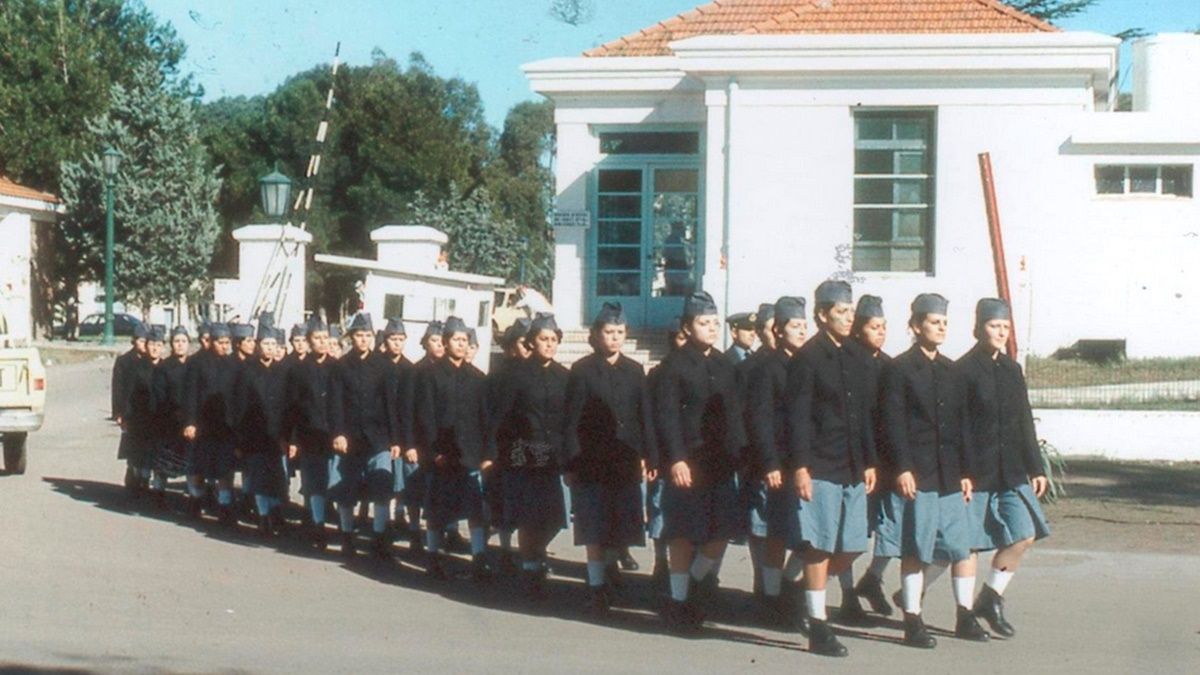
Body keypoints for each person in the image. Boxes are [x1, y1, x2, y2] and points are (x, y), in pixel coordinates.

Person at [882, 294, 990, 647]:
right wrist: (902, 468)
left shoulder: (950, 370)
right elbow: (893, 423)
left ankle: (964, 616)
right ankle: (912, 619)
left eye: (944, 322)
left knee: (958, 547)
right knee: (917, 549)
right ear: (915, 326)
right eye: (933, 321)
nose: (941, 327)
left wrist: (965, 472)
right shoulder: (899, 369)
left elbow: (961, 427)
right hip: (918, 474)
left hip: (949, 475)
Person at [786, 280, 878, 657]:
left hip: (854, 465)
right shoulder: (808, 358)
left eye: (851, 312)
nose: (847, 318)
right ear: (822, 315)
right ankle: (818, 627)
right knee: (820, 546)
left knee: (854, 544)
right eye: (840, 312)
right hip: (820, 464)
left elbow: (865, 414)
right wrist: (800, 467)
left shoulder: (856, 355)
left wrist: (870, 459)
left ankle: (802, 592)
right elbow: (797, 417)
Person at [655, 291, 746, 631]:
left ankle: (694, 581)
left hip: (719, 461)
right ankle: (678, 601)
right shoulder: (673, 366)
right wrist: (676, 459)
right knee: (681, 534)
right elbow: (667, 417)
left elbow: (734, 415)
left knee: (721, 532)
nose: (710, 329)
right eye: (703, 323)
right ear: (687, 326)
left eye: (713, 323)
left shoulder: (724, 364)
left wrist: (739, 452)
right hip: (687, 463)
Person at [960, 298, 1051, 638]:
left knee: (1024, 533)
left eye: (1005, 327)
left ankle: (991, 596)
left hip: (1011, 470)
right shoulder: (964, 370)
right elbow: (959, 428)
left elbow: (1024, 421)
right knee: (965, 546)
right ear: (978, 328)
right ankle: (961, 610)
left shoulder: (1012, 370)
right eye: (994, 326)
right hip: (977, 472)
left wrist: (1036, 467)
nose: (1000, 332)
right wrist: (963, 472)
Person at [563, 302, 655, 614]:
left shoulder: (634, 370)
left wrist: (647, 456)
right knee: (594, 527)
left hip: (625, 461)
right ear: (596, 334)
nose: (614, 338)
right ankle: (596, 585)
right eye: (608, 332)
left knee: (621, 525)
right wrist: (571, 463)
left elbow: (644, 417)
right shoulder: (582, 370)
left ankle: (613, 572)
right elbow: (571, 421)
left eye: (619, 332)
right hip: (592, 461)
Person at [490, 313, 569, 597]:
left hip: (554, 454)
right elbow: (501, 416)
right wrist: (497, 452)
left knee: (553, 517)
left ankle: (536, 555)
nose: (549, 345)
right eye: (543, 339)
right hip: (522, 452)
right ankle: (529, 568)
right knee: (528, 516)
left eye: (553, 340)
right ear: (532, 342)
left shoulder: (564, 376)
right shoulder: (517, 375)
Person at [415, 316, 493, 579]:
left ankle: (479, 558)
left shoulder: (477, 378)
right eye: (456, 340)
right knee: (437, 510)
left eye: (464, 340)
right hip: (442, 455)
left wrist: (487, 455)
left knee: (476, 511)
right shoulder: (430, 376)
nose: (461, 345)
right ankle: (434, 557)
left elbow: (486, 419)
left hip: (470, 455)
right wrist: (433, 451)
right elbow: (425, 417)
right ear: (446, 342)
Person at [746, 296, 808, 629]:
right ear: (778, 330)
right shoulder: (768, 367)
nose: (800, 331)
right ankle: (771, 598)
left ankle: (787, 584)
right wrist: (769, 462)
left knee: (805, 536)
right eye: (794, 326)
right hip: (776, 465)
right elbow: (761, 419)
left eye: (803, 325)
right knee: (775, 535)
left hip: (804, 464)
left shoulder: (807, 362)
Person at [328, 313, 400, 559]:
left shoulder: (383, 366)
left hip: (378, 438)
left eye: (367, 335)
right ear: (351, 337)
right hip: (350, 439)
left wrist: (395, 439)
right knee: (346, 490)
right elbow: (335, 403)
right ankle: (347, 536)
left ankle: (380, 538)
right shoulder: (340, 366)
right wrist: (338, 432)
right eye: (359, 335)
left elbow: (391, 404)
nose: (363, 340)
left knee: (382, 488)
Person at [848, 295, 898, 618]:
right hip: (861, 459)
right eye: (873, 327)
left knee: (892, 529)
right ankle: (844, 594)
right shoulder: (850, 363)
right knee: (854, 534)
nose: (879, 332)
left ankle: (873, 579)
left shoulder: (889, 364)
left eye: (883, 327)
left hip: (888, 460)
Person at [232, 325, 291, 537]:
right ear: (258, 345)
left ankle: (275, 512)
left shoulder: (283, 372)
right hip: (254, 433)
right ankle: (263, 515)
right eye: (265, 344)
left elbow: (288, 407)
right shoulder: (247, 371)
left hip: (276, 435)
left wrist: (288, 436)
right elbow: (239, 407)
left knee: (276, 476)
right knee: (258, 476)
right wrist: (239, 439)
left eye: (273, 344)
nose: (269, 348)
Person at [488, 317, 533, 573]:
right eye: (521, 342)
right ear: (511, 346)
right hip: (507, 447)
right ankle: (505, 550)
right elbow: (493, 415)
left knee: (532, 504)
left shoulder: (543, 371)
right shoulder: (501, 375)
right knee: (506, 501)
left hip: (535, 448)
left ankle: (530, 552)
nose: (527, 347)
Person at [645, 318, 687, 593]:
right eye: (680, 338)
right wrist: (652, 456)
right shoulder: (659, 374)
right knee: (661, 510)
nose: (684, 343)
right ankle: (661, 561)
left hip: (691, 454)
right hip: (664, 454)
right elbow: (651, 418)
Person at [183, 322, 240, 526]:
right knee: (198, 465)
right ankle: (196, 499)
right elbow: (190, 395)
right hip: (203, 424)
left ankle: (225, 505)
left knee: (225, 468)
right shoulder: (197, 363)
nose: (225, 346)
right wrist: (190, 422)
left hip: (225, 425)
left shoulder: (234, 365)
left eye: (227, 342)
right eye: (221, 342)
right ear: (211, 342)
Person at [379, 318, 419, 545]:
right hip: (384, 433)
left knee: (408, 483)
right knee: (386, 484)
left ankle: (409, 524)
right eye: (393, 339)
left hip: (406, 433)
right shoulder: (379, 366)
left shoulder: (410, 370)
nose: (397, 344)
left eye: (400, 339)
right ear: (386, 341)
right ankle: (383, 527)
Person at [119, 326, 165, 500]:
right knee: (141, 454)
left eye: (158, 345)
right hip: (140, 419)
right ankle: (141, 484)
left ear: (163, 347)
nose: (154, 348)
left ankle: (159, 490)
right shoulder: (137, 368)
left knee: (160, 456)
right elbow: (128, 395)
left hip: (161, 420)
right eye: (151, 344)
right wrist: (125, 416)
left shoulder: (166, 367)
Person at [151, 326, 193, 500]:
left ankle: (194, 494)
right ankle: (159, 490)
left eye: (183, 341)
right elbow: (160, 396)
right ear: (171, 344)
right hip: (169, 420)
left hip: (190, 420)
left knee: (191, 460)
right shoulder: (164, 368)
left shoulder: (194, 365)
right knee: (165, 460)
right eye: (177, 341)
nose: (180, 345)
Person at [111, 326, 148, 421]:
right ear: (134, 341)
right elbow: (117, 388)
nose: (144, 345)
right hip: (129, 410)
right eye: (141, 341)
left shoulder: (152, 360)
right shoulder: (123, 361)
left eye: (147, 342)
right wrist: (118, 412)